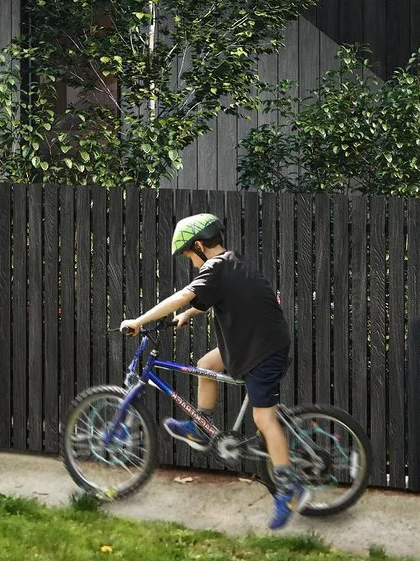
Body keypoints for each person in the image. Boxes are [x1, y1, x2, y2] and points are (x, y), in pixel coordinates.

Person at [122, 211, 303, 529]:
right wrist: (187, 316)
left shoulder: (215, 268)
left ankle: (288, 488)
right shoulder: (230, 264)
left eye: (188, 254)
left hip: (264, 349)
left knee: (263, 418)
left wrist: (139, 321)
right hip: (252, 340)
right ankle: (200, 426)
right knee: (205, 365)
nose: (190, 262)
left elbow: (184, 295)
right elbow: (205, 298)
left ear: (201, 245)